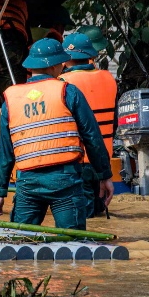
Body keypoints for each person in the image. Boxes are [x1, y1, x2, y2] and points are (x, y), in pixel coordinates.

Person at [0, 38, 114, 229]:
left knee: (21, 245)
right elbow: (92, 137)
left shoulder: (11, 99)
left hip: (28, 184)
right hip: (65, 183)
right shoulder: (68, 92)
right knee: (73, 247)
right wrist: (104, 176)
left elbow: (5, 153)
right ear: (56, 66)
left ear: (31, 67)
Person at [59, 31, 118, 219]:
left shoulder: (62, 84)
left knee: (82, 217)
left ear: (64, 59)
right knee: (98, 212)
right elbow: (114, 121)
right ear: (92, 55)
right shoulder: (109, 78)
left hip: (78, 161)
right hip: (102, 159)